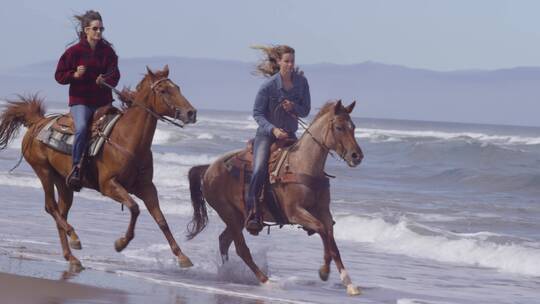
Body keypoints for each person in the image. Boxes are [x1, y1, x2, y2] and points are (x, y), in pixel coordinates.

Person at [246, 45, 311, 233]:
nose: (290, 65)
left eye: (292, 61)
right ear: (279, 62)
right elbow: (257, 113)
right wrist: (273, 130)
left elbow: (305, 110)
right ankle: (252, 212)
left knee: (309, 167)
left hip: (291, 135)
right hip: (267, 136)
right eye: (286, 61)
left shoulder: (302, 83)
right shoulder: (268, 86)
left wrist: (294, 107)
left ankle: (305, 209)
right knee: (259, 169)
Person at [55, 10, 120, 191]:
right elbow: (59, 75)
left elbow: (115, 74)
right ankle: (76, 167)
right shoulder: (73, 52)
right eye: (95, 29)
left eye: (101, 29)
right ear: (86, 30)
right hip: (80, 101)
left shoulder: (108, 52)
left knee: (121, 126)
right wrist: (74, 74)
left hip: (103, 102)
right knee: (82, 128)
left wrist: (105, 79)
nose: (99, 32)